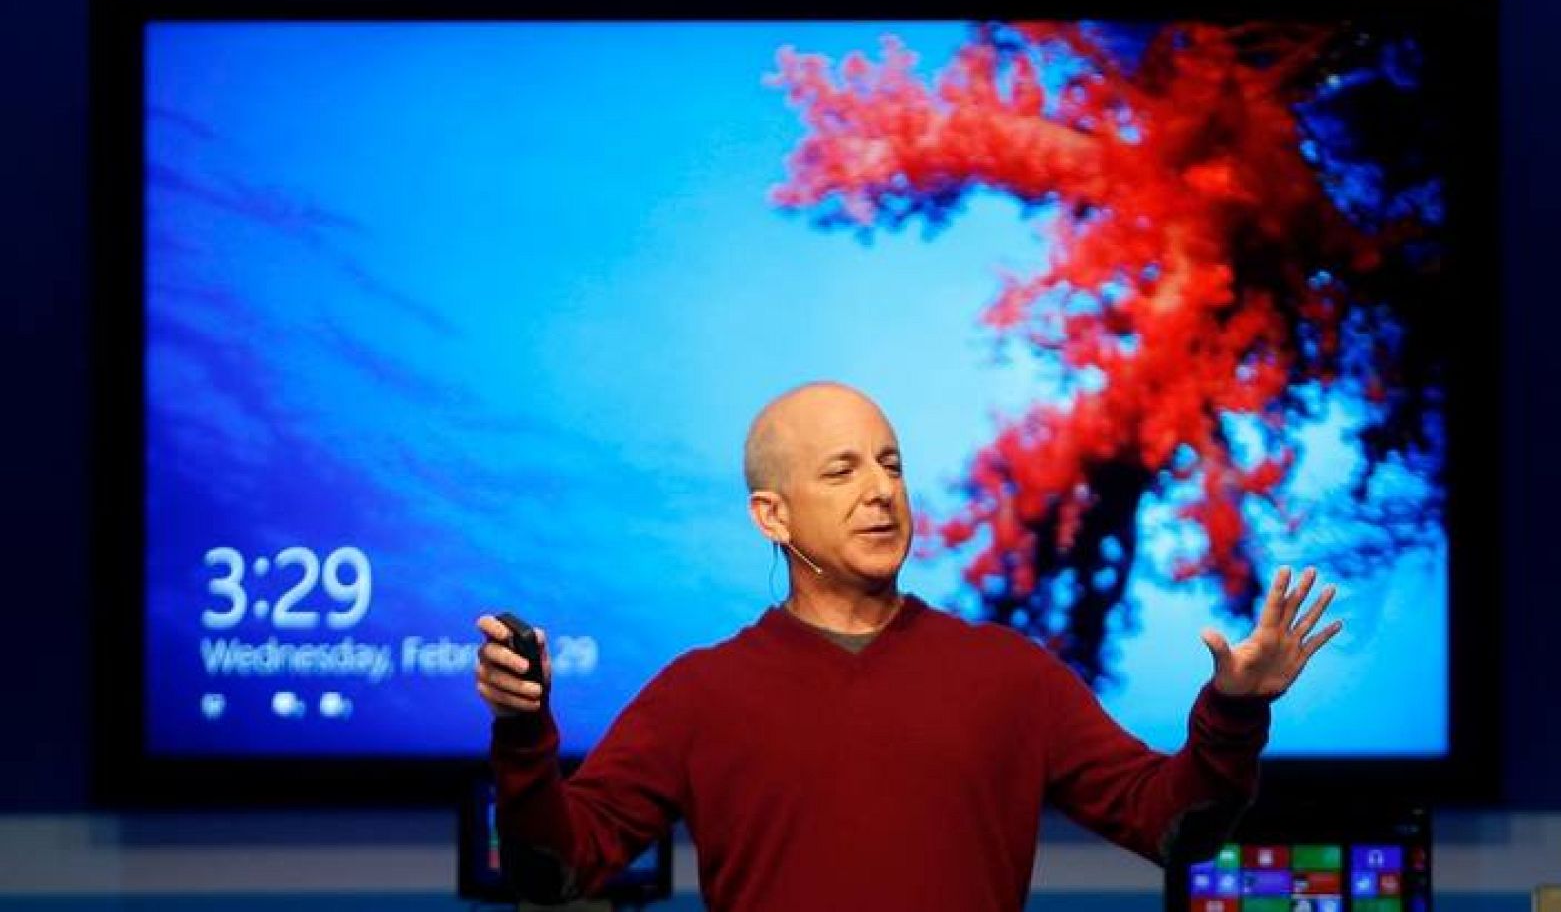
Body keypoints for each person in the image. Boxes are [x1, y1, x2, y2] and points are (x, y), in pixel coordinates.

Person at [475, 381, 1341, 912]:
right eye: (842, 470)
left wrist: (1235, 709)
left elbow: (1172, 828)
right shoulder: (699, 695)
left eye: (890, 463)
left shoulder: (1010, 675)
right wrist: (523, 732)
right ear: (771, 516)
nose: (881, 490)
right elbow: (551, 872)